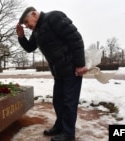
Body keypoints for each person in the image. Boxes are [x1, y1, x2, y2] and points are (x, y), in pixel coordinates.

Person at [16, 7, 88, 141]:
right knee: (58, 102)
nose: (27, 26)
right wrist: (21, 36)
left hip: (71, 69)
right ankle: (60, 126)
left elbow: (75, 38)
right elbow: (30, 47)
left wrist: (80, 64)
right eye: (25, 25)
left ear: (34, 14)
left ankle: (68, 134)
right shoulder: (37, 31)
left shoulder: (54, 17)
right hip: (59, 73)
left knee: (68, 103)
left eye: (27, 22)